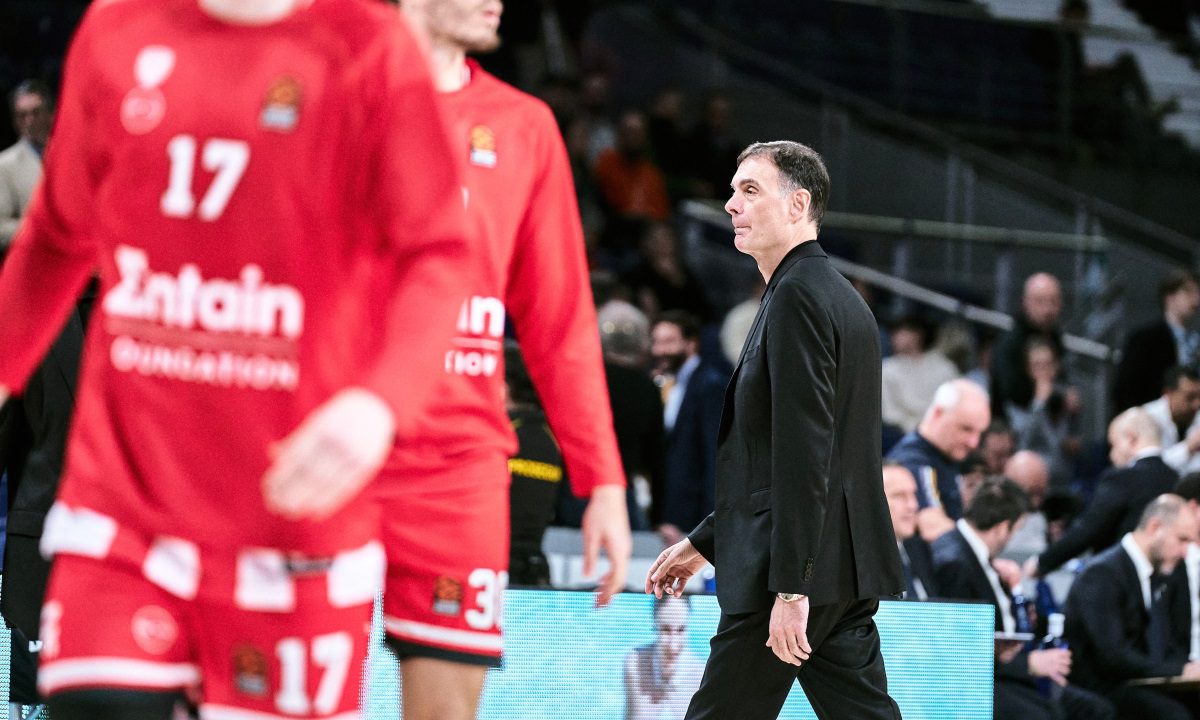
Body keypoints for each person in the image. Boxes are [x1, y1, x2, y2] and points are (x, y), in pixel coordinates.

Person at [0, 1, 472, 719]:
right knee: (98, 705)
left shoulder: (370, 47)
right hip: (124, 508)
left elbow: (438, 255)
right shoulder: (116, 28)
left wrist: (378, 404)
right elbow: (57, 237)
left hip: (293, 523)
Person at [386, 3, 632, 720]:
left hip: (457, 464)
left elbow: (561, 321)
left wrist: (603, 481)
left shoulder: (523, 124)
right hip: (330, 449)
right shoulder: (329, 91)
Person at [645, 141, 903, 720]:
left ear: (798, 204)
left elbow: (805, 454)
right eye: (733, 191)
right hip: (840, 566)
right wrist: (705, 542)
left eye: (750, 190)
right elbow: (795, 459)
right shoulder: (838, 296)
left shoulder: (797, 297)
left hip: (788, 572)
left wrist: (792, 587)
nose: (731, 204)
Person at [930, 478, 1115, 720]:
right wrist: (1029, 664)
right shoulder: (956, 563)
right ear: (1002, 528)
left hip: (1005, 671)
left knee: (1095, 707)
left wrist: (1016, 593)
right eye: (1016, 530)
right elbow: (959, 646)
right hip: (981, 681)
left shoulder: (973, 554)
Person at [1063, 495, 1200, 720]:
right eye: (1182, 539)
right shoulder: (1102, 574)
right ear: (1154, 527)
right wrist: (1180, 670)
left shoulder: (1160, 574)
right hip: (1102, 686)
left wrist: (1188, 668)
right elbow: (1112, 655)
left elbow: (1168, 641)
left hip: (1139, 681)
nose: (1186, 551)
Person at [1030, 408, 1178, 577]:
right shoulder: (1176, 479)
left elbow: (1088, 530)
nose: (1111, 455)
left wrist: (1041, 563)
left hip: (1119, 581)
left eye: (1113, 445)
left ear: (1131, 438)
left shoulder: (1122, 478)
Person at [651, 310, 727, 546]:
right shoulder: (666, 383)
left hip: (693, 516)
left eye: (668, 342)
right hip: (670, 514)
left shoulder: (710, 384)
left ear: (691, 344)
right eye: (656, 342)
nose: (659, 350)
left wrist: (706, 526)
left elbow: (714, 456)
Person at [887, 378, 991, 542]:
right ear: (938, 413)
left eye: (980, 433)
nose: (973, 443)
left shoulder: (948, 454)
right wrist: (981, 548)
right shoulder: (913, 461)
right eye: (966, 429)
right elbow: (932, 526)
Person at [1114, 270, 1200, 414]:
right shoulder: (1145, 339)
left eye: (1198, 293)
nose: (1196, 300)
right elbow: (1127, 388)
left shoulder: (1195, 342)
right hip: (1152, 417)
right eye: (1188, 292)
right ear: (1169, 298)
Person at [990, 273, 1067, 418]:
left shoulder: (1055, 336)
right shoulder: (1011, 341)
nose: (1047, 309)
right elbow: (1010, 389)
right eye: (1040, 301)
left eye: (1053, 301)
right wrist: (1049, 397)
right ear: (1025, 302)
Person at [624, 595, 705, 720]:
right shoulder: (635, 665)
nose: (673, 645)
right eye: (666, 630)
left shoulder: (700, 675)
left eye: (681, 630)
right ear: (655, 625)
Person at [880, 315, 959, 434]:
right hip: (903, 433)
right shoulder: (887, 368)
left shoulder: (944, 367)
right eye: (894, 333)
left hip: (941, 429)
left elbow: (956, 403)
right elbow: (889, 413)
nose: (895, 337)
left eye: (902, 332)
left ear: (918, 335)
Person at [0, 80, 52, 249]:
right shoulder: (5, 165)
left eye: (36, 112)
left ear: (50, 113)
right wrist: (42, 230)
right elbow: (1, 226)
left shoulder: (69, 154)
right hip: (36, 255)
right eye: (22, 115)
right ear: (15, 121)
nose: (29, 121)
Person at [883, 463, 936, 600]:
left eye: (914, 495)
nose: (913, 505)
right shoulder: (859, 563)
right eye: (899, 495)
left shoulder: (920, 549)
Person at [1141, 364, 1200, 475]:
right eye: (1190, 397)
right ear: (1168, 393)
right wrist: (1188, 447)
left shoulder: (1197, 415)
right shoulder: (1146, 418)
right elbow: (1148, 466)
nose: (1197, 404)